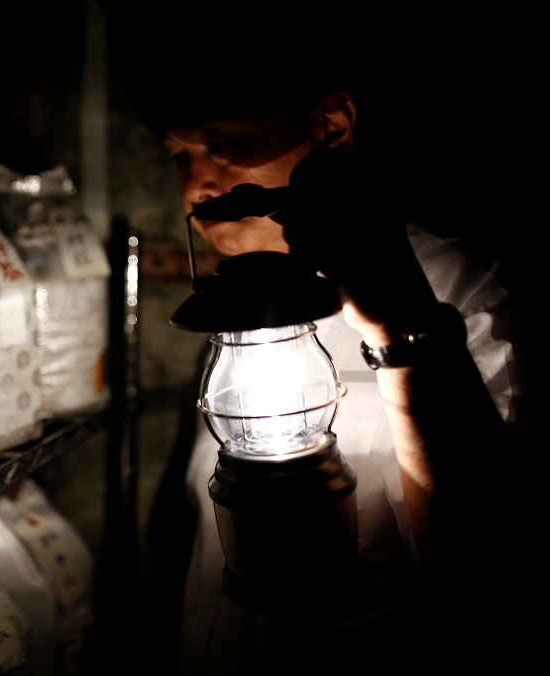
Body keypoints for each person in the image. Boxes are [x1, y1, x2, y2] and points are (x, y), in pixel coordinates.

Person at [106, 5, 542, 675]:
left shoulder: (464, 293)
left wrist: (402, 326)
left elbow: (498, 565)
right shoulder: (238, 315)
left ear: (330, 126)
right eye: (179, 155)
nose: (196, 187)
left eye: (224, 141)